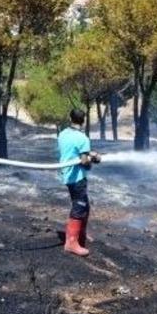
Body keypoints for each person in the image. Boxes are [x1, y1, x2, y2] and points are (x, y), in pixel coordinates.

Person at [57, 109, 100, 257]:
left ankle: (80, 233)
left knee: (85, 205)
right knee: (79, 206)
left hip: (66, 173)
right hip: (76, 177)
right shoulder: (83, 138)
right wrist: (92, 161)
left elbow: (72, 151)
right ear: (83, 120)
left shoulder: (63, 134)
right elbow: (83, 162)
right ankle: (71, 242)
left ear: (70, 119)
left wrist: (89, 154)